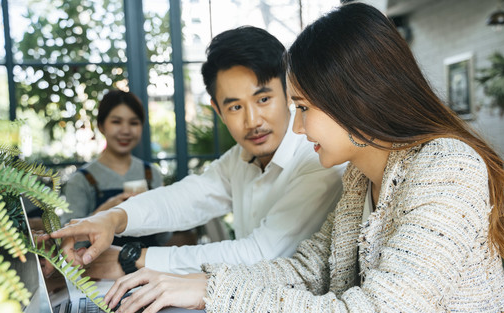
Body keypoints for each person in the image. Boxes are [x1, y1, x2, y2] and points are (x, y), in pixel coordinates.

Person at [97, 3, 504, 313]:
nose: (296, 127)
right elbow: (308, 270)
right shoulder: (360, 179)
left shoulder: (446, 166)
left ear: (352, 98)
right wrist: (201, 285)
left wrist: (212, 295)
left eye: (302, 107)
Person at [50, 26, 345, 277]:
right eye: (235, 106)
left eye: (264, 99)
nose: (252, 121)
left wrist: (130, 260)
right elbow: (184, 199)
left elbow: (261, 254)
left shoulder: (317, 158)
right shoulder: (240, 160)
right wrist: (112, 219)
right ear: (218, 110)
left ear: (289, 93)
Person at [60, 89, 167, 247]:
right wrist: (105, 212)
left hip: (150, 266)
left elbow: (164, 237)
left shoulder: (152, 174)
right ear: (101, 126)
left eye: (134, 123)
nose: (125, 130)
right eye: (116, 122)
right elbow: (69, 242)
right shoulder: (81, 180)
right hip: (99, 269)